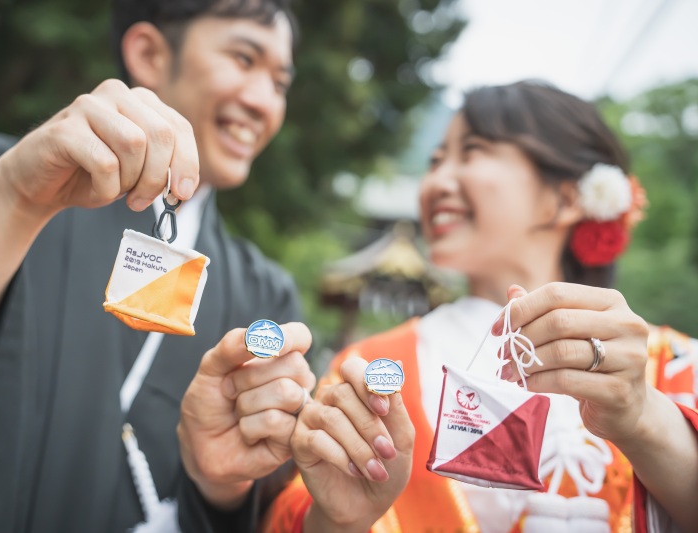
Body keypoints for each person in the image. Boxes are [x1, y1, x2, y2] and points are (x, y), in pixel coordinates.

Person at [0, 0, 317, 531]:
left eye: (280, 83)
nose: (263, 100)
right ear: (148, 53)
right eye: (243, 58)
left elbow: (272, 502)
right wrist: (14, 203)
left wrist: (223, 484)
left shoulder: (266, 298)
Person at [263, 81, 698, 532]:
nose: (435, 181)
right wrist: (337, 521)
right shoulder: (373, 367)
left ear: (566, 198)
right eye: (434, 161)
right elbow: (299, 511)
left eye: (471, 152)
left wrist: (644, 417)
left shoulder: (677, 365)